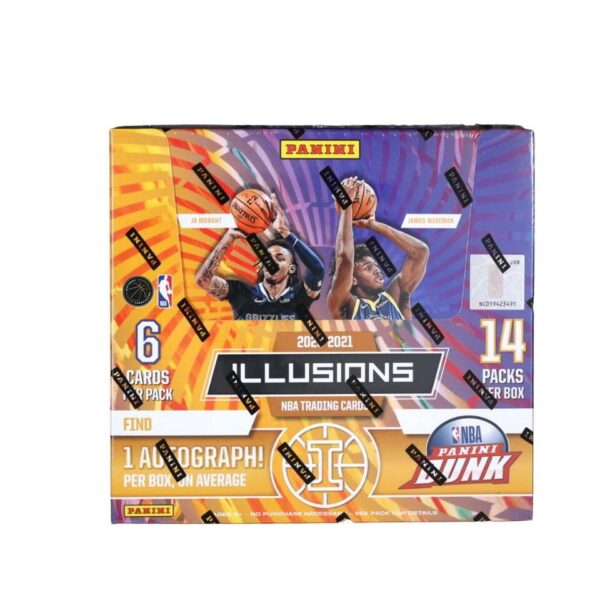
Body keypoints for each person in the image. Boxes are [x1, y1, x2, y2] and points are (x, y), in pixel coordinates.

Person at [196, 193, 324, 320]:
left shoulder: (299, 296)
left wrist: (283, 231)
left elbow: (317, 269)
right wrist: (229, 236)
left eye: (280, 258)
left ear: (291, 269)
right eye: (267, 257)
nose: (271, 262)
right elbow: (203, 280)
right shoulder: (241, 292)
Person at [328, 178, 429, 320]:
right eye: (368, 268)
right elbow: (345, 259)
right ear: (353, 280)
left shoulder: (396, 297)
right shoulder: (345, 305)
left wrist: (373, 225)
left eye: (375, 265)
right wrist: (347, 207)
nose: (377, 270)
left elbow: (421, 252)